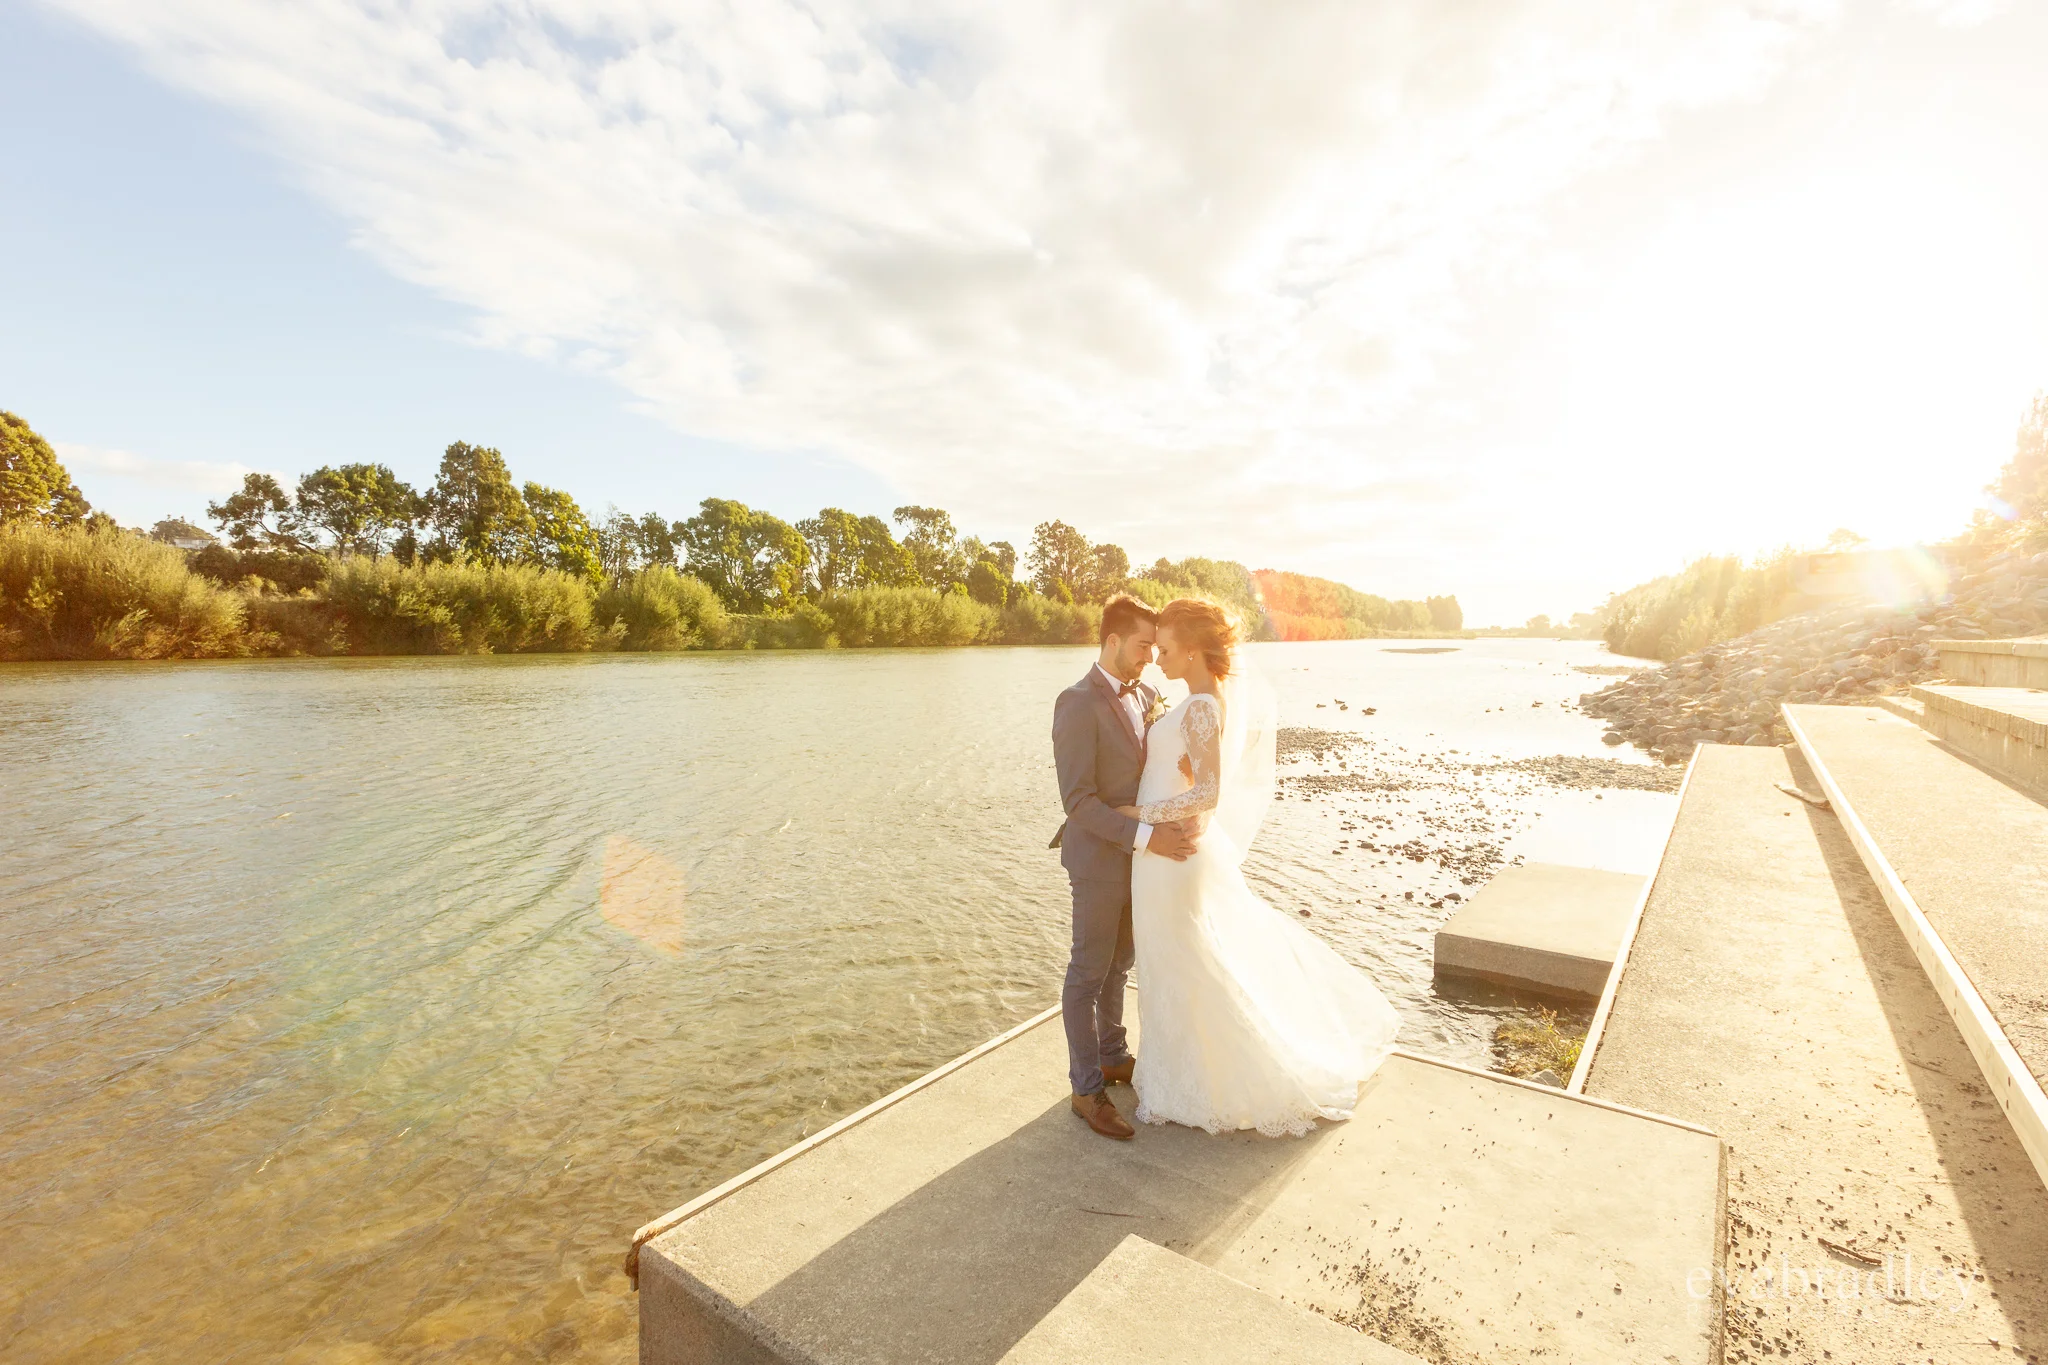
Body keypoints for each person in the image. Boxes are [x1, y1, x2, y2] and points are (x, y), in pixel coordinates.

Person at [1116, 597, 1401, 1137]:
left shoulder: (1201, 706)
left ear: (1195, 650)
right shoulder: (1198, 701)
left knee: (1186, 959)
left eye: (1168, 648)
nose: (1158, 659)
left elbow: (1209, 791)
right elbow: (1192, 776)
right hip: (1161, 852)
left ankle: (1214, 1077)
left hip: (1170, 854)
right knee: (1176, 960)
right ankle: (1180, 1072)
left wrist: (1139, 815)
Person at [1049, 594, 1198, 1140]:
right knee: (1086, 974)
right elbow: (1079, 803)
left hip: (1140, 863)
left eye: (1156, 648)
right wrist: (1147, 836)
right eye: (1142, 646)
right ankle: (1087, 1090)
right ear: (1112, 641)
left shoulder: (1148, 694)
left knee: (1120, 966)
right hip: (1097, 861)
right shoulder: (1076, 703)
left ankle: (1114, 1057)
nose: (1150, 657)